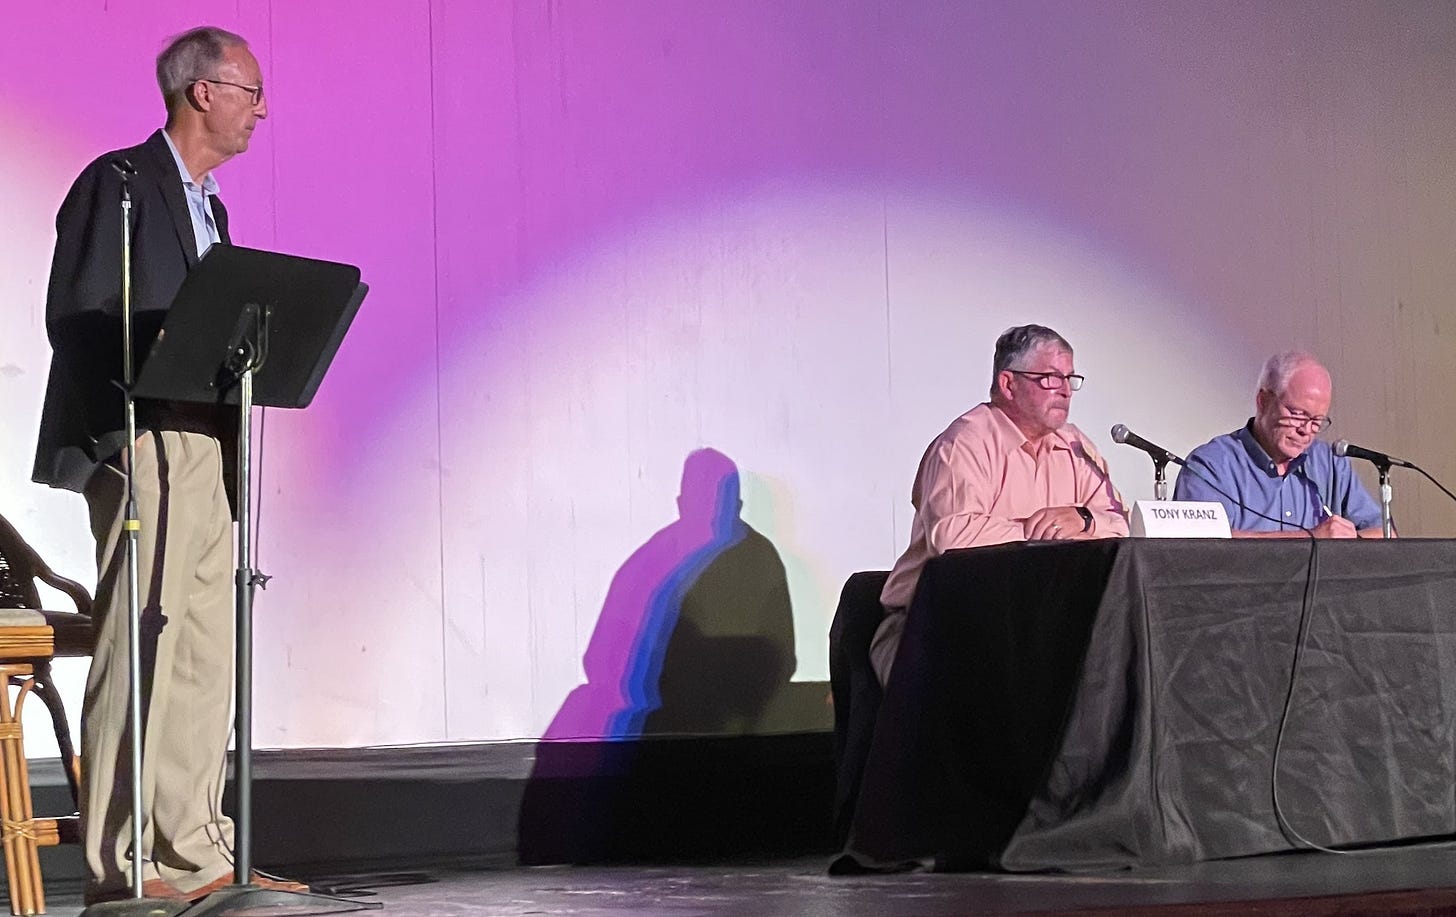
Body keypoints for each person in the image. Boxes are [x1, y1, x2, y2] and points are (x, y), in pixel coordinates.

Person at [32, 26, 303, 904]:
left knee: (200, 647)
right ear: (204, 92)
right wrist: (130, 426)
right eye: (252, 91)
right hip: (144, 438)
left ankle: (192, 848)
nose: (263, 110)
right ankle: (123, 867)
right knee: (140, 640)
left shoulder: (209, 204)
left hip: (208, 439)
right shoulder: (117, 183)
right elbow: (75, 315)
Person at [871, 324, 1129, 685]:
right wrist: (1038, 532)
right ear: (1009, 384)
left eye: (1070, 378)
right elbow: (953, 538)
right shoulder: (965, 443)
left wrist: (1082, 519)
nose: (1066, 391)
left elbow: (1122, 526)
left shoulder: (1075, 447)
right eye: (1051, 378)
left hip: (1036, 625)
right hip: (931, 625)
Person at [1173, 351, 1383, 538]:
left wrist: (1352, 540)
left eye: (1317, 421)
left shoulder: (1330, 463)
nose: (1306, 430)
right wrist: (1312, 540)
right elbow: (1201, 549)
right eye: (1297, 414)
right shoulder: (1211, 466)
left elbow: (1385, 533)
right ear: (1263, 401)